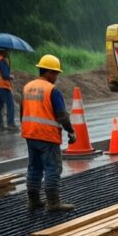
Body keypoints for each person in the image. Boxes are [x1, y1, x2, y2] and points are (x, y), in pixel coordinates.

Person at [21, 54, 77, 211]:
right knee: (52, 167)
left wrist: (27, 130)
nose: (57, 77)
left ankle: (33, 201)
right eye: (56, 73)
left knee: (34, 167)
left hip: (30, 134)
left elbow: (22, 112)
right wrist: (71, 131)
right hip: (47, 136)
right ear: (50, 73)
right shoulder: (52, 90)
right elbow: (61, 115)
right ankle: (53, 202)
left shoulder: (27, 87)